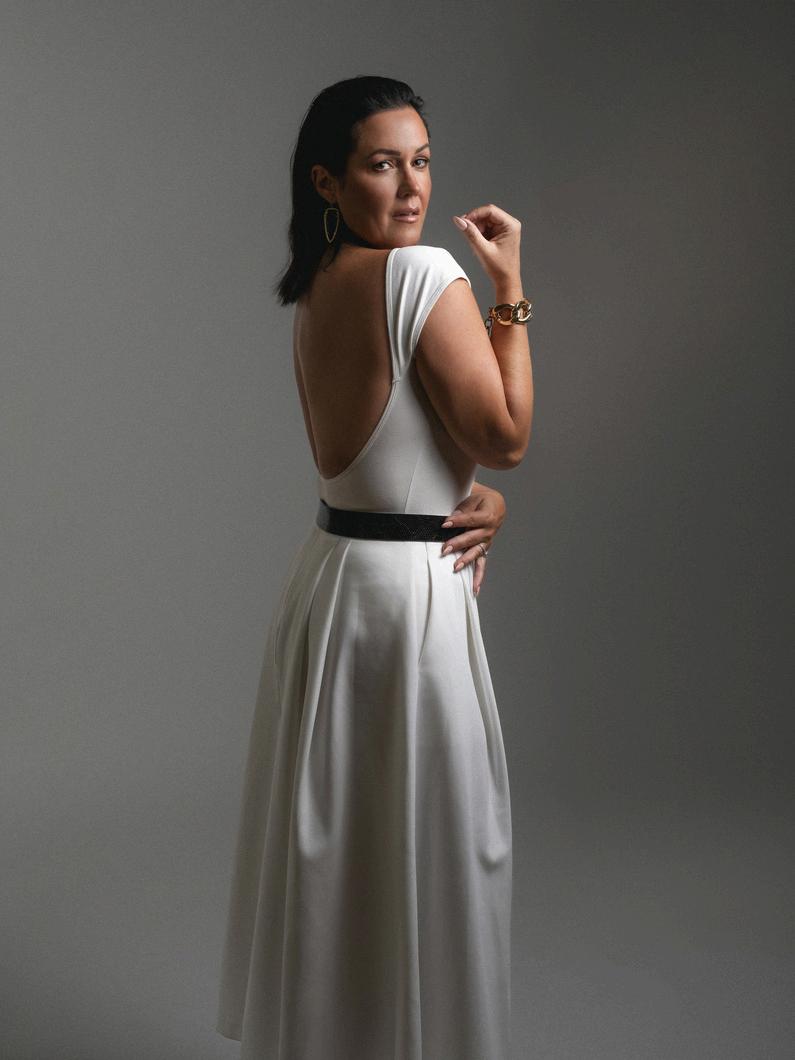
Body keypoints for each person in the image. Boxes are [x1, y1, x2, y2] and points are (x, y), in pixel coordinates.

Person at [215, 75, 533, 1060]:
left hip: (333, 583)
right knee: (430, 852)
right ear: (328, 180)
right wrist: (510, 290)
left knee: (341, 862)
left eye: (422, 161)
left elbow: (399, 459)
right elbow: (504, 435)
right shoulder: (422, 274)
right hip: (406, 602)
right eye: (382, 164)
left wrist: (479, 497)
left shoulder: (318, 284)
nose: (412, 186)